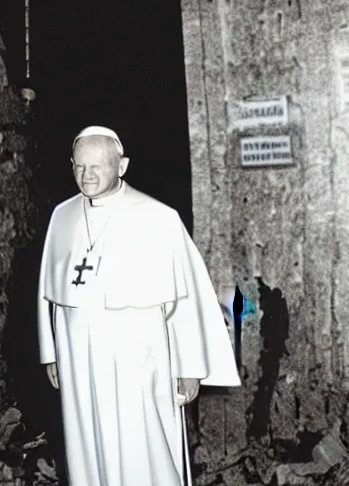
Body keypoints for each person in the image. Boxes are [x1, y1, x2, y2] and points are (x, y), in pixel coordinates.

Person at [37, 125, 241, 486]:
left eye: (98, 166)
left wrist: (189, 366)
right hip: (78, 357)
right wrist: (50, 351)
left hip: (139, 357)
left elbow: (185, 300)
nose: (88, 176)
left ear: (122, 165)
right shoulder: (62, 216)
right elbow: (50, 294)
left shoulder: (158, 218)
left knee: (142, 441)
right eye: (80, 166)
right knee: (87, 438)